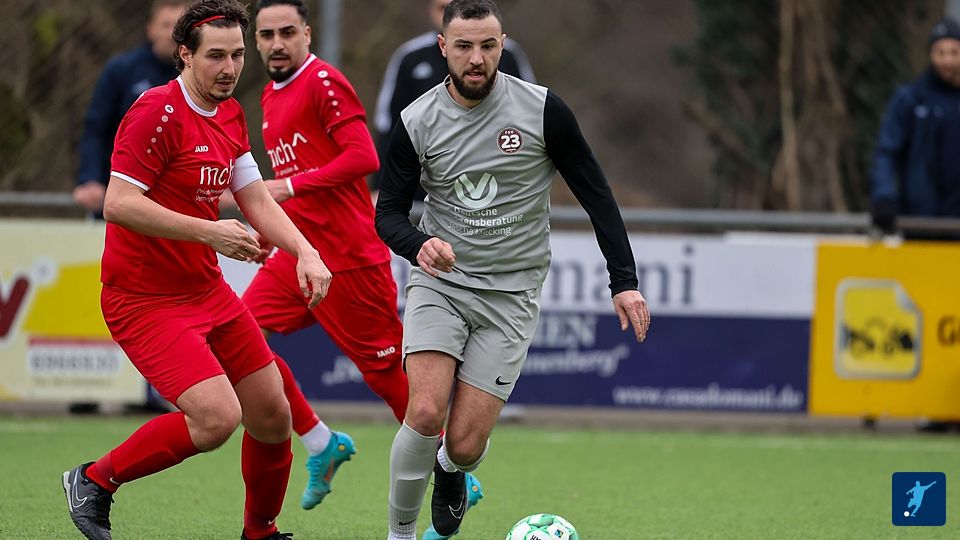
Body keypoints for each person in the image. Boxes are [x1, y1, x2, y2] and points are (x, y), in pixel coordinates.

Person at [374, 1, 651, 539]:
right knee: (425, 411)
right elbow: (388, 213)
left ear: (503, 44)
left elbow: (596, 194)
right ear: (443, 47)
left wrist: (624, 281)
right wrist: (419, 245)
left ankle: (451, 471)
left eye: (487, 46)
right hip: (441, 284)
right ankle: (400, 534)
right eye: (463, 46)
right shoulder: (417, 120)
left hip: (511, 293)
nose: (476, 59)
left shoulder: (543, 111)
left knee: (464, 445)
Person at [61, 1, 332, 539]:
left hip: (206, 291)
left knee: (273, 414)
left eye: (237, 55)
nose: (229, 68)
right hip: (143, 299)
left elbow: (254, 197)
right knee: (216, 419)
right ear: (184, 54)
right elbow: (118, 203)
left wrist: (306, 251)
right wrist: (210, 231)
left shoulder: (229, 112)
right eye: (215, 56)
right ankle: (93, 480)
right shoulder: (155, 112)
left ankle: (260, 532)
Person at [245, 0, 412, 511]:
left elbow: (364, 156)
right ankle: (321, 442)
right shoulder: (270, 95)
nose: (277, 44)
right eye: (267, 35)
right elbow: (287, 182)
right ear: (256, 41)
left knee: (387, 376)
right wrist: (274, 230)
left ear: (307, 34)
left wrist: (290, 187)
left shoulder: (323, 82)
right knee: (238, 340)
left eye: (287, 32)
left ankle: (451, 471)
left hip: (348, 255)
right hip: (299, 252)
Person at [370, 0, 535, 200]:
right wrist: (380, 185)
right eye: (443, 8)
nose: (476, 59)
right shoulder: (410, 57)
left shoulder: (509, 56)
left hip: (495, 187)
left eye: (487, 46)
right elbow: (388, 123)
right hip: (421, 190)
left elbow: (531, 118)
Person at [73, 0, 187, 218]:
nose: (172, 34)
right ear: (150, 30)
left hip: (179, 198)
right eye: (165, 25)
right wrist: (91, 179)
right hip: (121, 190)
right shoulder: (121, 69)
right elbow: (96, 128)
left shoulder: (200, 74)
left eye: (179, 27)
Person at [870, 17, 960, 240]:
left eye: (954, 52)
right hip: (919, 222)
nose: (947, 60)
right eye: (940, 52)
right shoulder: (911, 99)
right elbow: (887, 152)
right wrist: (883, 196)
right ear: (930, 54)